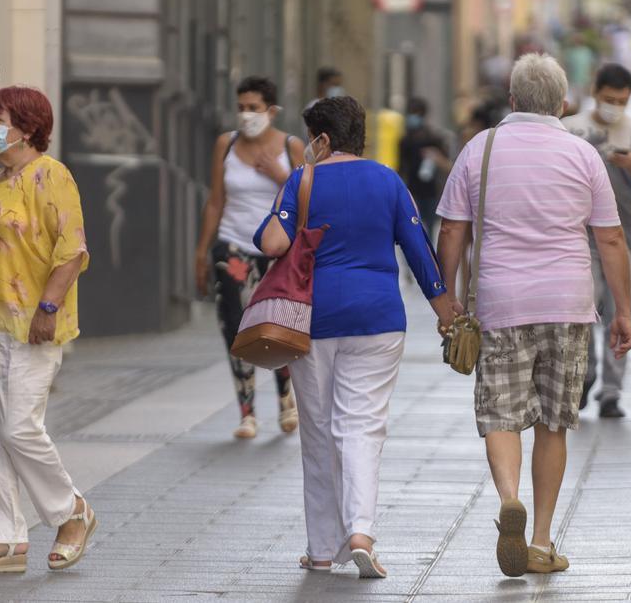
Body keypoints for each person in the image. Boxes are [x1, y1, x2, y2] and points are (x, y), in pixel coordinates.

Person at [436, 54, 631, 577]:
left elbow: (452, 230)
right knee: (554, 421)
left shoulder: (480, 149)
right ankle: (542, 541)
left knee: (501, 412)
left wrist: (448, 298)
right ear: (564, 104)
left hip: (501, 303)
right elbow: (611, 238)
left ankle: (508, 499)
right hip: (568, 302)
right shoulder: (583, 154)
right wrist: (624, 312)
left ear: (512, 99)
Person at [255, 96, 455, 578]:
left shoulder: (301, 180)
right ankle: (361, 531)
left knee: (320, 431)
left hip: (312, 319)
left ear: (321, 140)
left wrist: (288, 195)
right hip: (378, 320)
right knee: (362, 426)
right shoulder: (388, 181)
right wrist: (445, 311)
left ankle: (322, 548)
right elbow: (418, 248)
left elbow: (271, 243)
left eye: (310, 139)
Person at [0, 85, 94, 573]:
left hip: (30, 322)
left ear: (27, 128)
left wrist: (48, 306)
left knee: (18, 429)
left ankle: (71, 512)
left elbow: (70, 250)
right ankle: (6, 539)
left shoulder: (51, 175)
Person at [195, 77, 305, 439]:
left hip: (278, 249)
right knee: (235, 325)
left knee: (277, 326)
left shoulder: (291, 147)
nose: (246, 114)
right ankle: (247, 412)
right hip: (233, 245)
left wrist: (279, 175)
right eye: (241, 107)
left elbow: (307, 199)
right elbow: (216, 200)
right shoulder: (225, 145)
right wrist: (202, 250)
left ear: (271, 111)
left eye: (254, 108)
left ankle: (286, 400)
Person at [562, 63, 631, 419]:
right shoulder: (570, 129)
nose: (614, 106)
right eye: (608, 99)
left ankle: (612, 390)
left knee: (621, 313)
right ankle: (585, 375)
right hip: (580, 237)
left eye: (621, 100)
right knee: (583, 311)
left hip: (626, 237)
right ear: (594, 92)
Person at [397, 97, 453, 234]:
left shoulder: (433, 138)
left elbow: (447, 165)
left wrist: (435, 157)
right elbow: (401, 166)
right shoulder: (405, 140)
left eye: (415, 113)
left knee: (430, 228)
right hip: (412, 190)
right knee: (412, 228)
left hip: (431, 191)